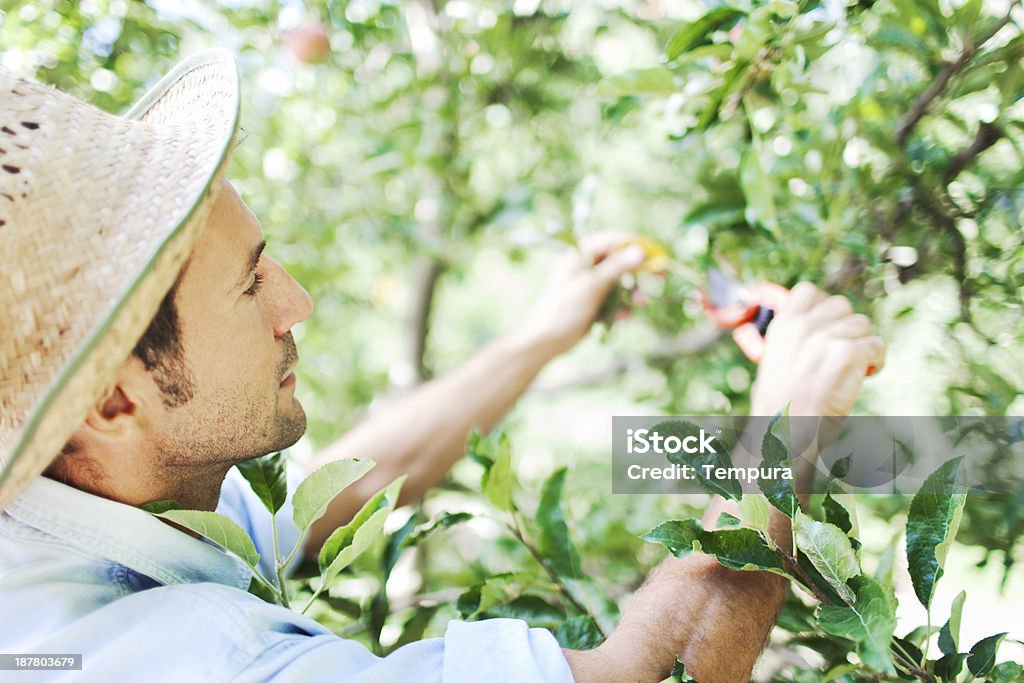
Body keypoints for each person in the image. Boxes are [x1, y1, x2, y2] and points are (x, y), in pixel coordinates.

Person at [0, 50, 885, 682]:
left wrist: (539, 334)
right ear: (112, 396)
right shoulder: (197, 659)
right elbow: (659, 674)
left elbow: (328, 492)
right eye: (247, 286)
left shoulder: (90, 497)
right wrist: (788, 425)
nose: (294, 301)